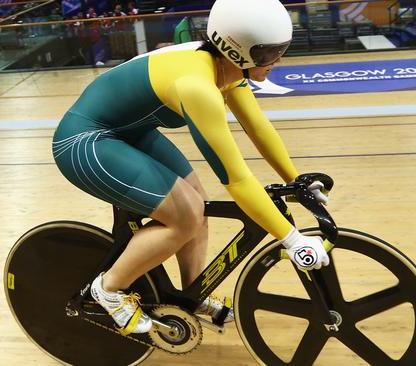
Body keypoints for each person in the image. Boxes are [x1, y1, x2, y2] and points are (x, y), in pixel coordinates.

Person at [52, 0, 330, 335]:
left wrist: (295, 180)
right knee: (186, 214)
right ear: (240, 52)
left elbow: (258, 128)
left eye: (280, 50)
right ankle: (108, 290)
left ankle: (192, 294)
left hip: (126, 132)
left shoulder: (227, 67)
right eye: (269, 54)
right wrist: (291, 238)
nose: (278, 61)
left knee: (197, 199)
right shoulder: (198, 87)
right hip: (85, 142)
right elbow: (237, 179)